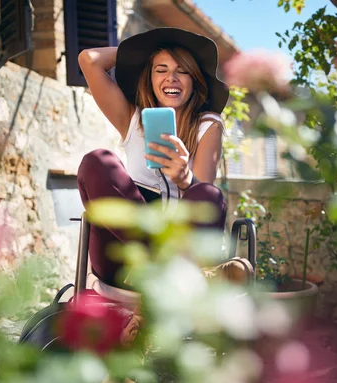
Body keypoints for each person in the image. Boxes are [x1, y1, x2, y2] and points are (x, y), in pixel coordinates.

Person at [76, 28, 230, 294]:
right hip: (123, 254)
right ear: (149, 76)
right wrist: (144, 54)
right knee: (96, 161)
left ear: (194, 79)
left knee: (209, 194)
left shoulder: (208, 126)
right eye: (161, 69)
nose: (171, 77)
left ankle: (162, 268)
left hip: (180, 243)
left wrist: (185, 179)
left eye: (182, 70)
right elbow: (89, 60)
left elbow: (204, 202)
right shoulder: (132, 119)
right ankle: (156, 264)